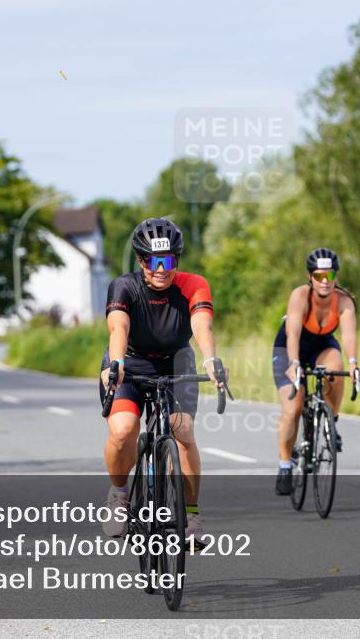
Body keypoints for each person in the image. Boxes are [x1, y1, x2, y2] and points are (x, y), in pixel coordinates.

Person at [98, 218, 226, 544]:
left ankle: (191, 515)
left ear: (176, 259)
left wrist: (210, 359)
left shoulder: (194, 284)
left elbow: (202, 324)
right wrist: (116, 363)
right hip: (129, 362)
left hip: (176, 363)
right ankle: (119, 494)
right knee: (123, 430)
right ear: (140, 260)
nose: (159, 270)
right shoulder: (123, 286)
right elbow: (118, 328)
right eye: (151, 261)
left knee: (182, 432)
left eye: (166, 261)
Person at [272, 248, 359, 496]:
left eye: (329, 276)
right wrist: (294, 363)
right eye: (319, 276)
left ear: (336, 277)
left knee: (336, 368)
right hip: (290, 347)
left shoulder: (344, 301)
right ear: (310, 277)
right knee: (293, 408)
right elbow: (293, 335)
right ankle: (285, 465)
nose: (324, 281)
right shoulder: (300, 296)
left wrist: (354, 364)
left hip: (322, 345)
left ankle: (331, 420)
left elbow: (349, 335)